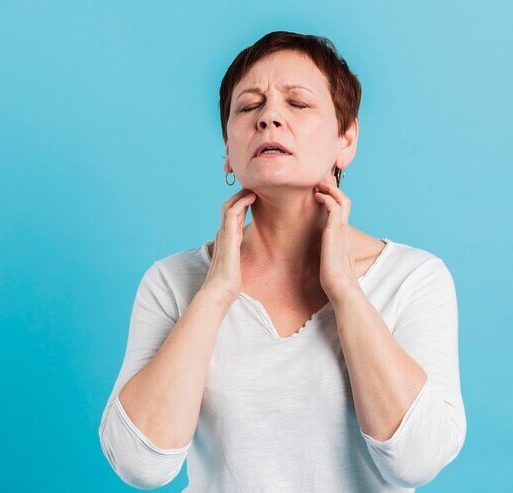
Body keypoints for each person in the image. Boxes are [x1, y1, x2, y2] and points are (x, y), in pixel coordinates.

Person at [98, 31, 466, 492]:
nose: (270, 117)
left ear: (345, 140)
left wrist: (346, 291)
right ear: (228, 152)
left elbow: (417, 460)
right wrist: (215, 294)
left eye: (298, 103)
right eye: (249, 106)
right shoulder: (173, 282)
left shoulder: (413, 279)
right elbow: (140, 465)